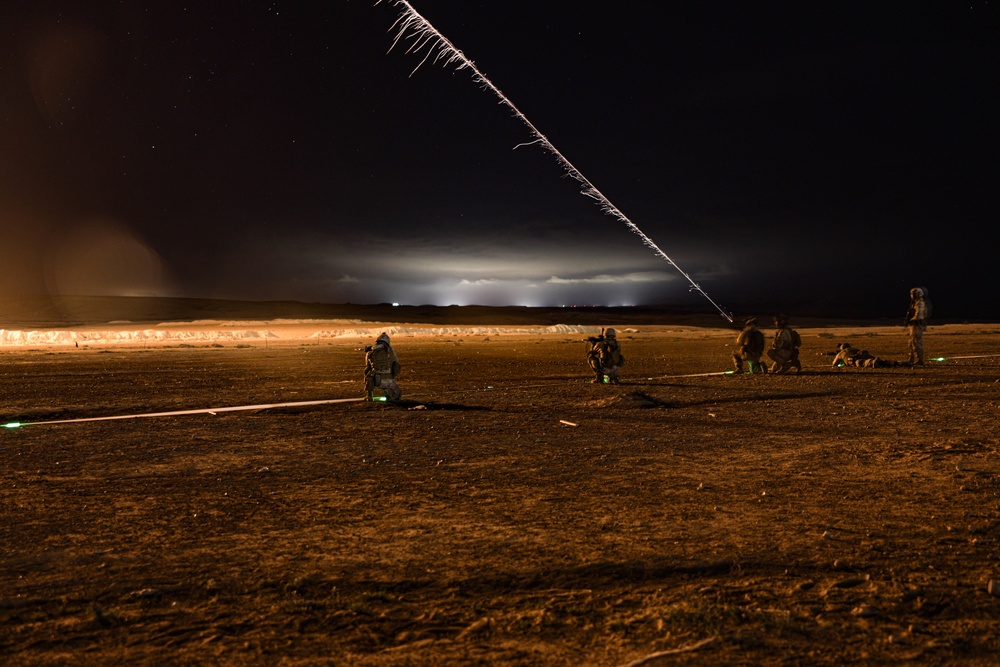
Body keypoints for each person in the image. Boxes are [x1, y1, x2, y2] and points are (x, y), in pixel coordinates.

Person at [364, 332, 401, 401]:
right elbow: (396, 366)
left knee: (368, 372)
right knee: (397, 394)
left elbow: (367, 366)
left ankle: (369, 395)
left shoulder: (370, 352)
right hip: (389, 381)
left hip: (376, 381)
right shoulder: (391, 350)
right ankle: (387, 392)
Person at [904, 287, 931, 365]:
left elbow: (918, 315)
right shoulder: (914, 303)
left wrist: (911, 320)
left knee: (916, 342)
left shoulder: (919, 303)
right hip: (914, 325)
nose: (911, 296)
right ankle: (912, 358)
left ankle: (919, 359)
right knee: (911, 342)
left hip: (917, 325)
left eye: (912, 294)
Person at [830, 342, 903, 369]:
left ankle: (872, 363)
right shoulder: (853, 348)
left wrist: (841, 364)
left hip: (853, 359)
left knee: (861, 362)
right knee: (878, 361)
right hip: (862, 353)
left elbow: (834, 364)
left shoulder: (840, 354)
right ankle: (895, 363)